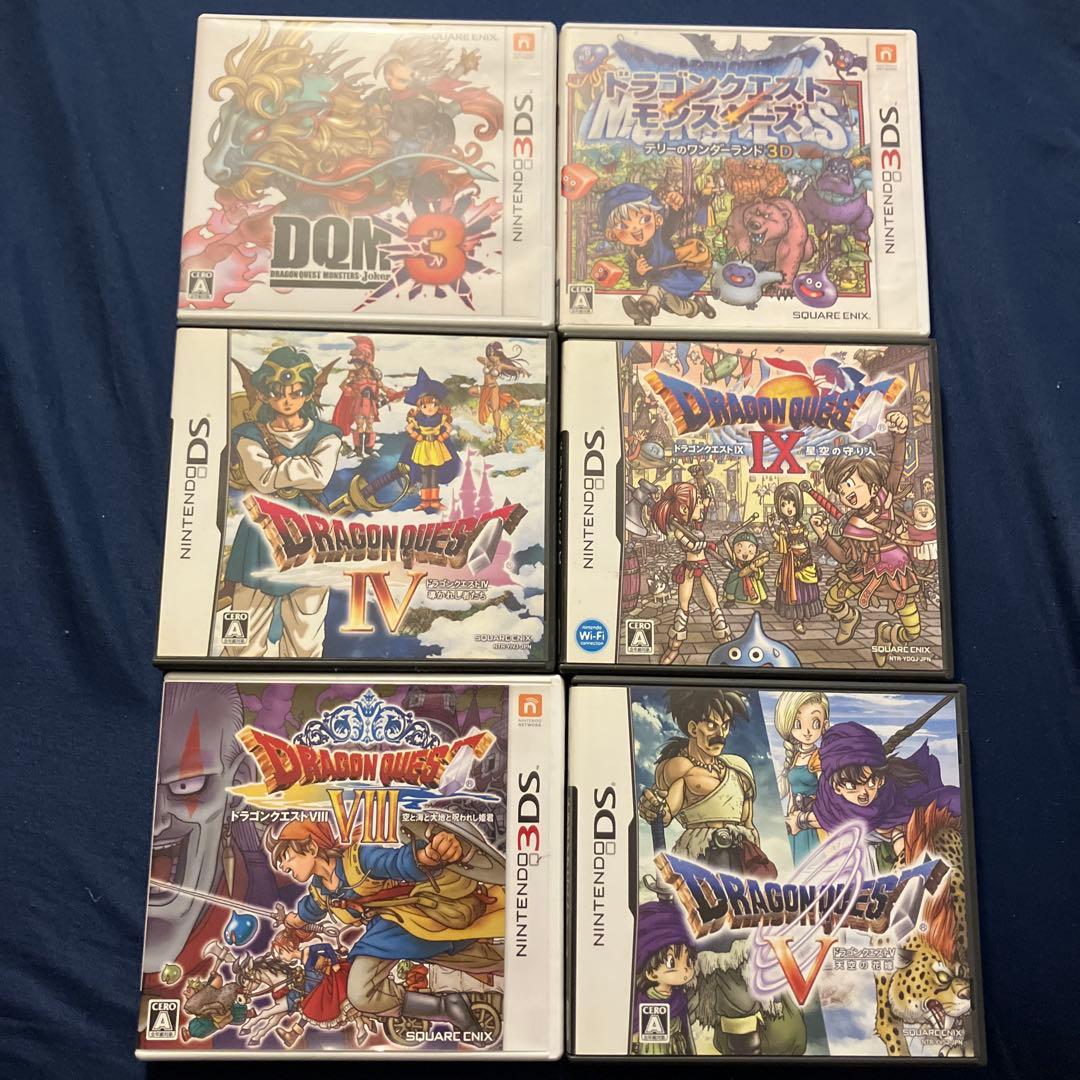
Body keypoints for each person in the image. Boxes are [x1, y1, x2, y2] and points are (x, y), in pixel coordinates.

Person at [269, 819, 503, 1034]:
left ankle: (447, 1006)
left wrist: (428, 855)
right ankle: (448, 1006)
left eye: (287, 857)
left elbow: (394, 862)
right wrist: (291, 922)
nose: (283, 866)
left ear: (311, 848)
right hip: (392, 933)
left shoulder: (358, 860)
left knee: (361, 992)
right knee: (485, 959)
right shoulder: (320, 890)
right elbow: (308, 912)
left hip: (407, 919)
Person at [224, 347, 341, 658]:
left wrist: (281, 470)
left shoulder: (327, 435)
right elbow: (262, 478)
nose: (287, 400)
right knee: (242, 642)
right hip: (260, 537)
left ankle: (303, 684)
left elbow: (319, 477)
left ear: (309, 393)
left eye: (296, 392)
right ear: (264, 393)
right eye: (278, 392)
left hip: (310, 537)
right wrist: (300, 468)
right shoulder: (247, 434)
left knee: (306, 642)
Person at [787, 720, 961, 868]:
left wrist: (904, 856)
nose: (864, 792)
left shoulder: (888, 797)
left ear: (880, 780)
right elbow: (823, 817)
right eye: (852, 786)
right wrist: (800, 820)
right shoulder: (829, 800)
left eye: (871, 782)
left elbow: (899, 828)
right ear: (837, 787)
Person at [638, 689, 774, 876]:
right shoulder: (682, 768)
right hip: (703, 855)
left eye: (725, 725)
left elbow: (748, 825)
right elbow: (666, 812)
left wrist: (757, 863)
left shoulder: (739, 770)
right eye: (711, 725)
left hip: (740, 857)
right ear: (693, 728)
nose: (721, 734)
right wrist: (655, 809)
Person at [599, 183, 715, 327]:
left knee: (661, 295)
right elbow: (634, 280)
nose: (636, 229)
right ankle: (698, 305)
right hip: (660, 285)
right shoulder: (632, 256)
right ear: (612, 234)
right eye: (624, 226)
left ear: (658, 220)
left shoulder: (660, 236)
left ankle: (645, 311)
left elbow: (671, 225)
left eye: (645, 220)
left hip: (677, 275)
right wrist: (639, 272)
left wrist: (675, 209)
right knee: (678, 307)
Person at [651, 481, 731, 663]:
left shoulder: (696, 525)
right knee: (683, 609)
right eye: (697, 503)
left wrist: (701, 479)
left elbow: (707, 501)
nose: (701, 506)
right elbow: (692, 546)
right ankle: (673, 648)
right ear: (684, 509)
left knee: (715, 606)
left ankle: (726, 644)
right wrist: (703, 544)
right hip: (688, 570)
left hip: (703, 568)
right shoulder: (680, 532)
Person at [631, 901, 697, 1055]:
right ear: (651, 973)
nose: (685, 969)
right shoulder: (645, 1002)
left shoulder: (678, 997)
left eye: (688, 960)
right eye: (671, 962)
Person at [772, 691, 830, 865]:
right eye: (798, 724)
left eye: (815, 723)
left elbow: (827, 796)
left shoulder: (820, 758)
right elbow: (789, 794)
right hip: (794, 823)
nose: (807, 731)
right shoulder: (794, 757)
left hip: (813, 823)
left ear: (824, 724)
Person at [403, 367, 461, 512]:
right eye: (425, 405)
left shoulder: (440, 418)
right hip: (423, 447)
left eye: (433, 404)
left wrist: (441, 437)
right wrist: (418, 436)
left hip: (435, 447)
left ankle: (434, 501)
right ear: (419, 406)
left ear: (438, 404)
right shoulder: (417, 419)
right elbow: (409, 428)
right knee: (424, 473)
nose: (430, 408)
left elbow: (449, 428)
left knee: (434, 472)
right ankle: (424, 501)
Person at [770, 482, 823, 634]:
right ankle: (797, 619)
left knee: (807, 587)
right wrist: (771, 528)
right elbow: (781, 542)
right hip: (792, 561)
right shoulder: (783, 526)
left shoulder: (801, 524)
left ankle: (805, 614)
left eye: (792, 504)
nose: (789, 508)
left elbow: (806, 540)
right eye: (784, 504)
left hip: (806, 559)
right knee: (795, 588)